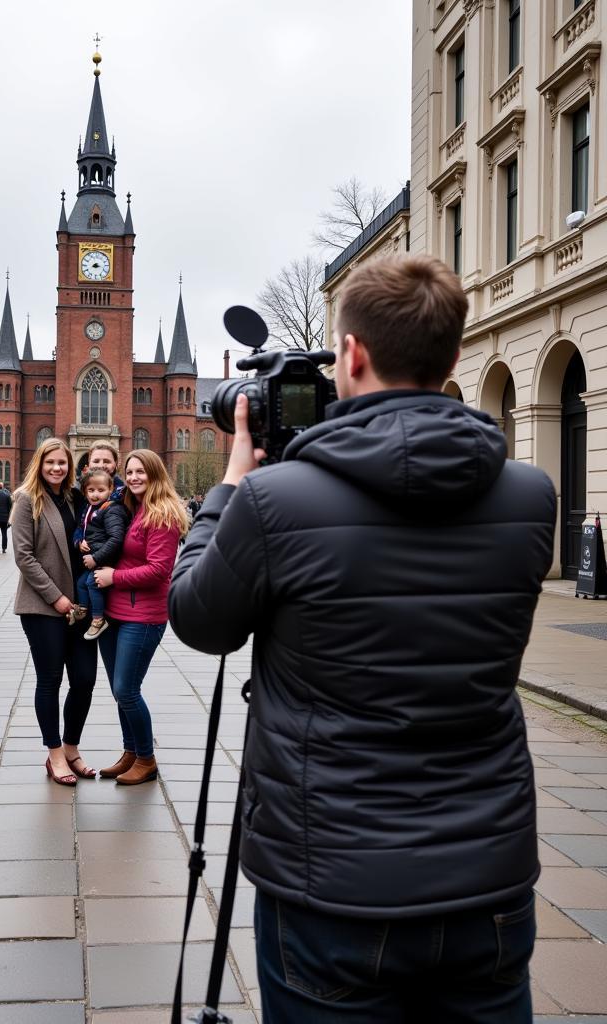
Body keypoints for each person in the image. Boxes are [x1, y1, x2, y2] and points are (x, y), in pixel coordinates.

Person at [168, 255, 557, 1024]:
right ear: (451, 355)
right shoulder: (531, 495)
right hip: (489, 884)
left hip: (331, 886)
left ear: (349, 355)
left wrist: (230, 489)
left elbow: (197, 616)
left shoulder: (276, 502)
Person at [94, 449, 187, 785]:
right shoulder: (131, 507)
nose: (133, 478)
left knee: (127, 689)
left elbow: (160, 570)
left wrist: (113, 577)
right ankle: (130, 752)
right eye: (129, 472)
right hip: (115, 612)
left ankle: (146, 759)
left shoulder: (163, 514)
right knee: (121, 691)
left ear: (155, 474)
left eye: (140, 472)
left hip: (144, 615)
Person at [12, 437, 97, 786]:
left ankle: (72, 746)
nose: (57, 468)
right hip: (44, 607)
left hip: (80, 605)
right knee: (50, 680)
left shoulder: (77, 498)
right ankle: (55, 754)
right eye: (50, 462)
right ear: (39, 464)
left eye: (62, 463)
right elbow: (23, 556)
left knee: (85, 680)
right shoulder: (26, 501)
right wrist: (56, 598)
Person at [72, 467, 130, 640]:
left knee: (91, 582)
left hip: (106, 558)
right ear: (85, 491)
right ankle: (82, 609)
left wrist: (95, 558)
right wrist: (78, 542)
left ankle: (98, 619)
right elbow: (81, 528)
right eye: (91, 490)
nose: (95, 494)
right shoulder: (90, 508)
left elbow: (116, 539)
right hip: (95, 555)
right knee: (81, 582)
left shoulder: (112, 509)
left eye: (101, 490)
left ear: (110, 489)